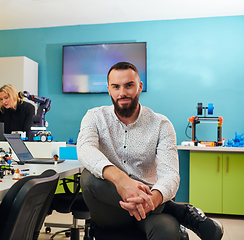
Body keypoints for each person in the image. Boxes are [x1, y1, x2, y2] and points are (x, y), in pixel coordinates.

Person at [77, 62, 223, 240]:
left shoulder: (161, 124)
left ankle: (165, 209)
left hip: (151, 208)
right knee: (89, 178)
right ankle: (177, 210)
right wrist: (121, 180)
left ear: (140, 86)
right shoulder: (94, 117)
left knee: (168, 231)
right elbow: (85, 149)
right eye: (116, 87)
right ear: (109, 89)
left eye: (129, 85)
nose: (122, 92)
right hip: (109, 213)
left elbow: (170, 174)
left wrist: (153, 199)